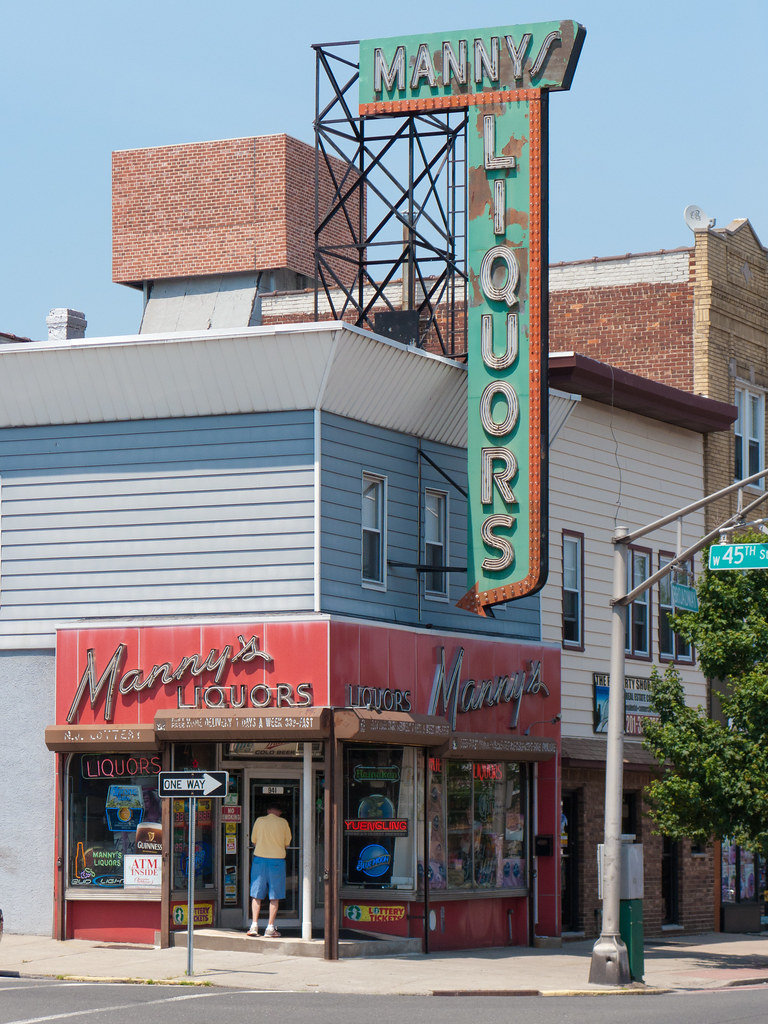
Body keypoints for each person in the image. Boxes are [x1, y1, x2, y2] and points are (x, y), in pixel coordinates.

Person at [248, 802, 291, 937]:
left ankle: (254, 925)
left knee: (256, 894)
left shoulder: (259, 821)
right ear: (279, 812)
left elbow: (253, 841)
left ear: (268, 810)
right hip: (277, 861)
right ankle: (270, 928)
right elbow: (287, 843)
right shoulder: (283, 823)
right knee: (275, 895)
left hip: (260, 860)